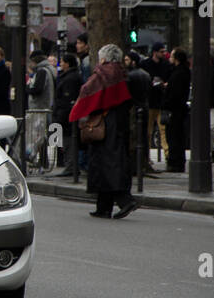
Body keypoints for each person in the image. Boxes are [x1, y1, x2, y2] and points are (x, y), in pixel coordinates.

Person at [69, 44, 138, 218]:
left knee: (105, 163)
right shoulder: (121, 72)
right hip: (119, 122)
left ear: (104, 58)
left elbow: (87, 91)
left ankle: (124, 200)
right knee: (111, 161)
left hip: (105, 123)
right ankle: (103, 206)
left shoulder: (102, 73)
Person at [51, 53, 83, 171]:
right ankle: (68, 165)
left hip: (66, 115)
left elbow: (66, 99)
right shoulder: (68, 76)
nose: (61, 64)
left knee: (68, 140)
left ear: (68, 64)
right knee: (63, 140)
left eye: (62, 62)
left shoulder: (70, 78)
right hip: (64, 114)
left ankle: (70, 166)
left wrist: (60, 115)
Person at [163, 47, 190, 173]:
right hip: (178, 108)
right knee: (176, 137)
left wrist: (166, 93)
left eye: (172, 56)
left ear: (177, 59)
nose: (170, 58)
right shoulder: (181, 71)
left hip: (175, 109)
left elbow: (175, 93)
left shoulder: (180, 73)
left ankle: (175, 163)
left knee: (174, 137)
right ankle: (177, 162)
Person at [145, 42, 171, 165]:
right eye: (161, 51)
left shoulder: (166, 65)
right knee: (148, 131)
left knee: (163, 129)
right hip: (151, 101)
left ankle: (167, 154)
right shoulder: (146, 64)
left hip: (160, 101)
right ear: (155, 52)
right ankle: (147, 155)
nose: (164, 53)